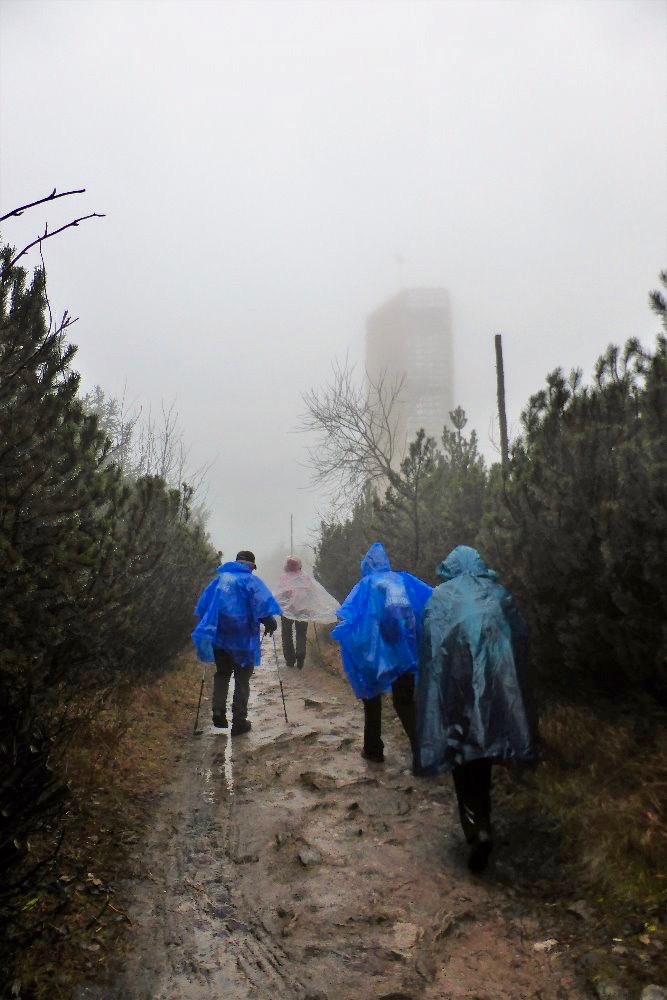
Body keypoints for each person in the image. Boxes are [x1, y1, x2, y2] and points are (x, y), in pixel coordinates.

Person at [413, 545, 538, 873]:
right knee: (482, 750)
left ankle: (475, 827)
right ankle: (484, 820)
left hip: (455, 685)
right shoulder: (499, 593)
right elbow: (521, 637)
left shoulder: (441, 597)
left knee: (460, 752)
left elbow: (428, 642)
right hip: (495, 684)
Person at [331, 542, 432, 763]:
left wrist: (348, 640)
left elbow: (351, 616)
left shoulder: (365, 585)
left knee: (372, 699)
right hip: (404, 653)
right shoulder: (404, 580)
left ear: (366, 566)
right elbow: (428, 602)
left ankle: (373, 749)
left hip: (374, 656)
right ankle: (422, 752)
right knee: (405, 702)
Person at [192, 550, 281, 735]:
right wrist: (270, 623)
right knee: (242, 677)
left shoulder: (219, 581)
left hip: (220, 637)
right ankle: (239, 721)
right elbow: (262, 606)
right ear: (251, 565)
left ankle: (218, 711)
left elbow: (203, 606)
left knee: (222, 673)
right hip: (244, 639)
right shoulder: (251, 582)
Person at [273, 556, 339, 669]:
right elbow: (313, 593)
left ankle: (289, 659)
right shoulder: (305, 578)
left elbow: (279, 595)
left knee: (286, 634)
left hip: (286, 611)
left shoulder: (284, 579)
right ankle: (301, 655)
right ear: (299, 566)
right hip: (303, 609)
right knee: (301, 633)